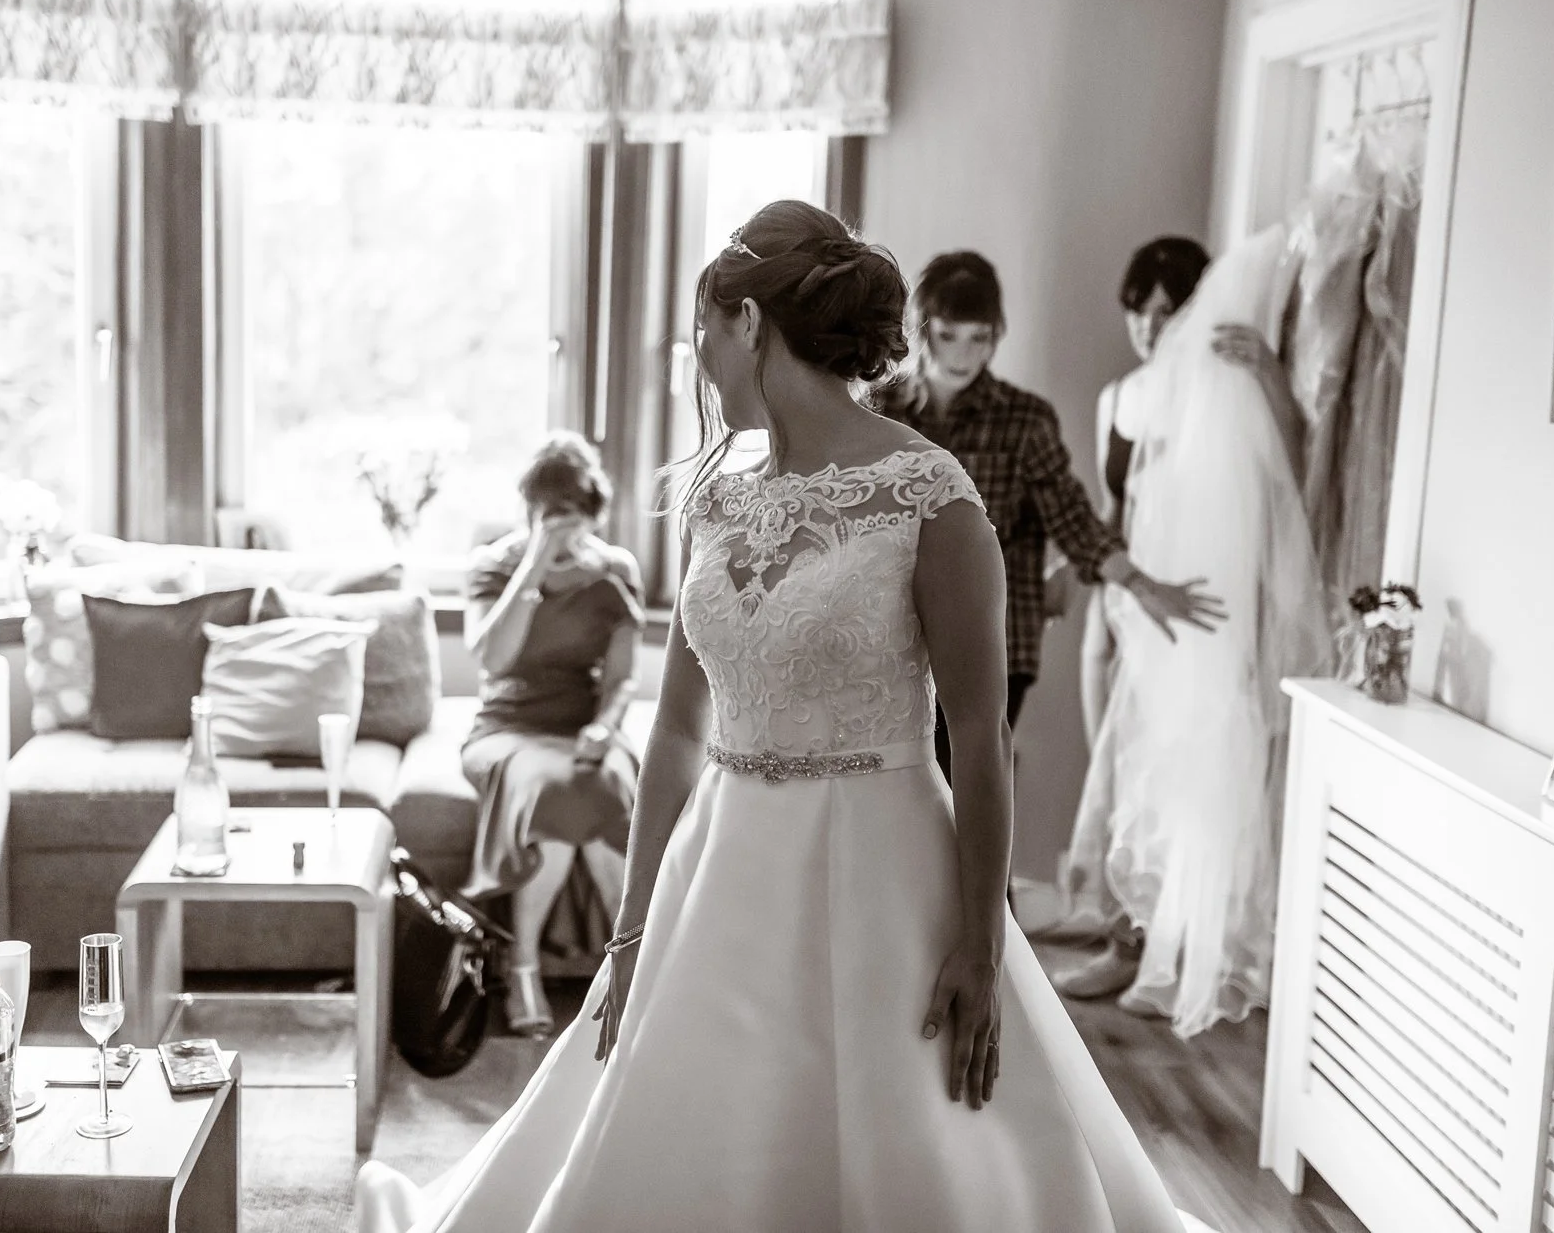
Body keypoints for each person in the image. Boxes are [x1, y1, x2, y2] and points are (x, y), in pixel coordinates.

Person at [355, 200, 1195, 1232]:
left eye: (703, 334)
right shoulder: (714, 499)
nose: (700, 364)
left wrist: (980, 943)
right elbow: (674, 729)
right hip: (718, 863)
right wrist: (630, 930)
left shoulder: (928, 496)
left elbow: (982, 737)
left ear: (748, 322)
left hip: (887, 871)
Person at [1056, 226, 1332, 1037]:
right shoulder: (1118, 397)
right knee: (1118, 775)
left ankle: (1156, 947)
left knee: (1167, 771)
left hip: (1185, 614)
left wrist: (1271, 378)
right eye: (1138, 309)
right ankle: (1127, 931)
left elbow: (1287, 477)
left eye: (1167, 310)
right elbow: (1116, 505)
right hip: (1119, 603)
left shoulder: (1222, 390)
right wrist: (1087, 572)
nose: (1149, 325)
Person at [868, 252, 1224, 779]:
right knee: (896, 788)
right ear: (922, 329)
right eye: (948, 336)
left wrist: (1142, 585)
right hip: (890, 629)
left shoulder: (1024, 420)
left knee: (964, 787)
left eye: (980, 337)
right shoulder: (878, 409)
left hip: (995, 637)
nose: (965, 354)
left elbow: (1072, 517)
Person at [463, 433, 644, 1037]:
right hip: (509, 725)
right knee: (553, 793)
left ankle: (629, 969)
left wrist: (604, 726)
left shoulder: (615, 570)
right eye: (550, 516)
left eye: (576, 518)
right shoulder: (494, 565)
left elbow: (621, 678)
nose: (565, 531)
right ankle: (524, 970)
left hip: (584, 725)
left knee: (605, 792)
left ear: (594, 517)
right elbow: (493, 660)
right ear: (530, 512)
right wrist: (535, 565)